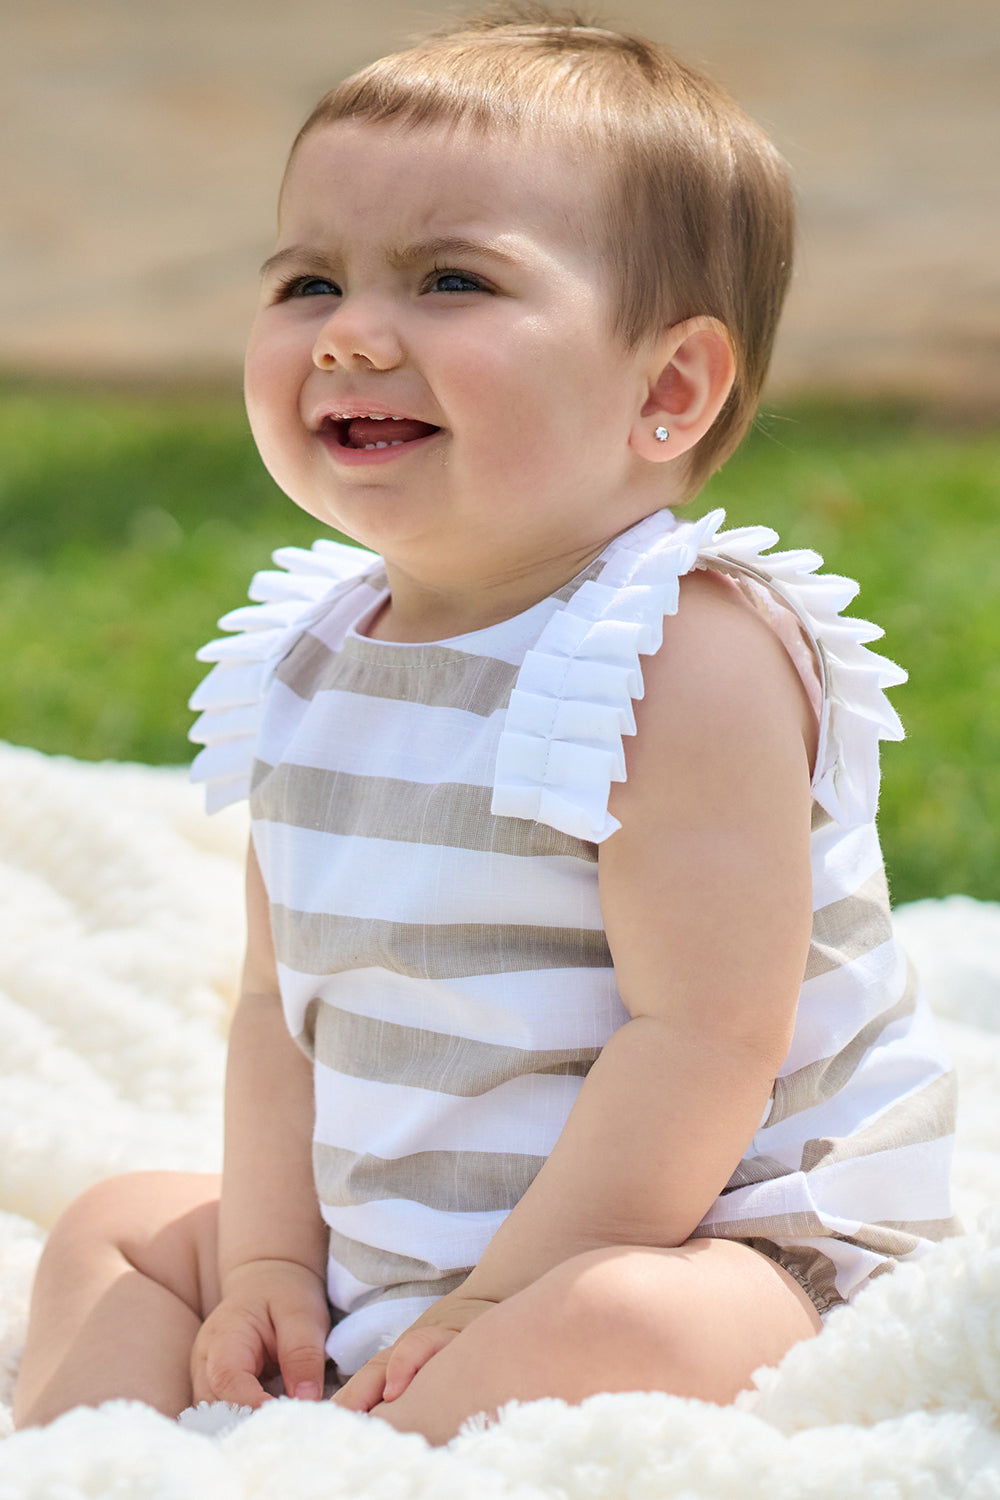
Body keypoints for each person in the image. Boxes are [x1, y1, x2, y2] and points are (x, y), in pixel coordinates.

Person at [14, 6, 958, 1444]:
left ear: (668, 389)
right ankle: (106, 1465)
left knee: (620, 1327)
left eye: (451, 280)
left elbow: (704, 1039)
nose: (352, 336)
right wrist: (271, 1260)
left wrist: (495, 1304)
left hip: (706, 1238)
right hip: (396, 1238)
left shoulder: (675, 650)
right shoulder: (308, 657)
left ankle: (358, 1464)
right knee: (121, 1229)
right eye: (309, 282)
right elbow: (282, 1007)